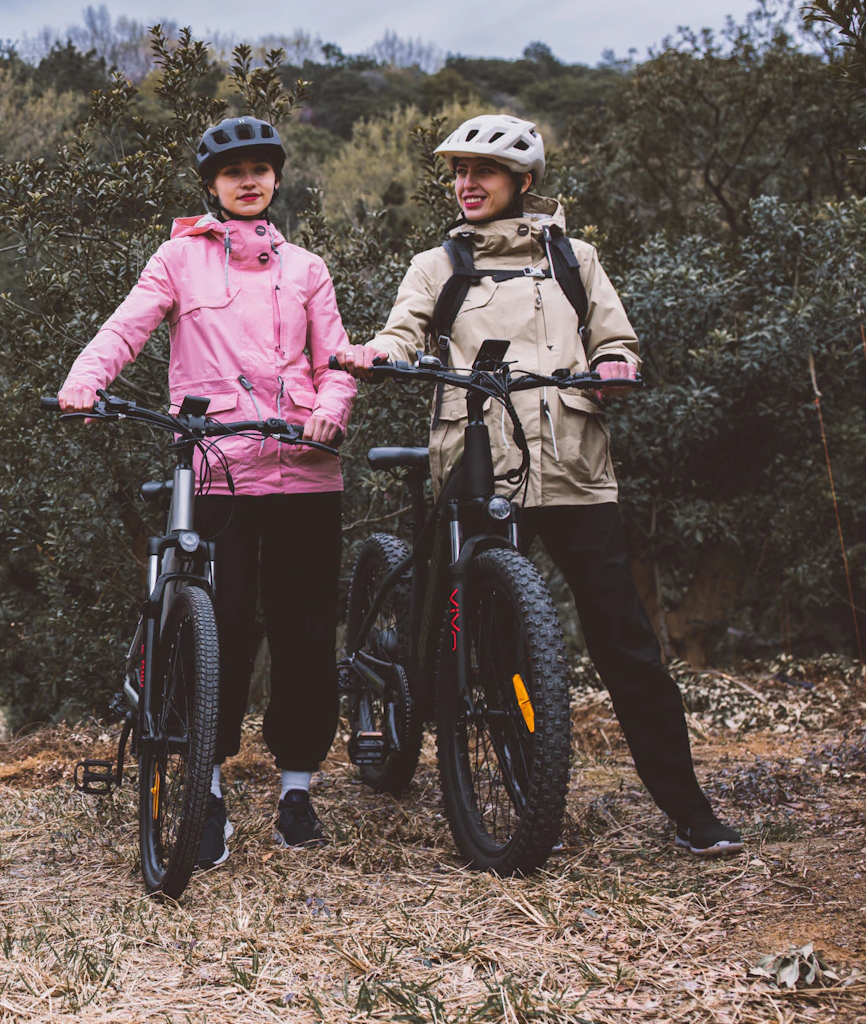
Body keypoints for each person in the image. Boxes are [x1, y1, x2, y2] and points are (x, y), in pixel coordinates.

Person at [334, 113, 742, 857]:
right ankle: (522, 801)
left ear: (523, 181)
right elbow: (404, 329)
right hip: (479, 460)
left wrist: (617, 365)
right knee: (490, 640)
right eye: (458, 172)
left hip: (577, 468)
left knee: (627, 645)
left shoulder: (573, 258)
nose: (465, 184)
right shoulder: (438, 264)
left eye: (481, 172)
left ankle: (689, 810)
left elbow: (615, 338)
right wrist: (380, 352)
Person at [59, 115, 357, 861]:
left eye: (260, 168)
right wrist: (85, 379)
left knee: (305, 632)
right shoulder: (179, 259)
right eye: (233, 172)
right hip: (218, 468)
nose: (248, 180)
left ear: (277, 179)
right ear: (213, 186)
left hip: (305, 473)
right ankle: (208, 789)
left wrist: (329, 410)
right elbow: (127, 326)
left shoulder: (308, 268)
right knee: (217, 635)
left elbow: (341, 360)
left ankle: (297, 788)